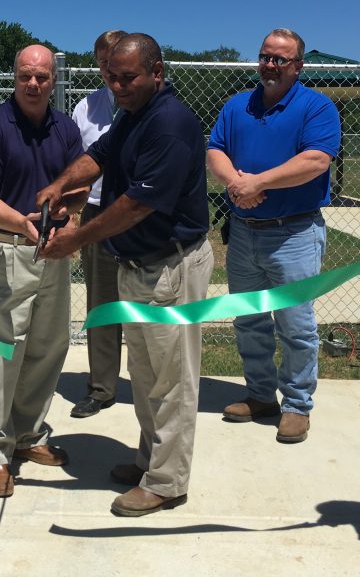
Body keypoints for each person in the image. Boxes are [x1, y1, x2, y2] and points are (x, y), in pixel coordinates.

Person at [38, 33, 213, 517]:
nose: (117, 85)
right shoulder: (133, 114)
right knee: (146, 374)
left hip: (171, 267)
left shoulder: (170, 124)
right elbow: (101, 156)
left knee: (172, 380)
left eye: (128, 77)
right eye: (111, 76)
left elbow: (137, 204)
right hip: (140, 267)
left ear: (157, 72)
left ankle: (166, 482)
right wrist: (60, 184)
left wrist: (77, 238)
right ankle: (150, 460)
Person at [0, 44, 84, 498]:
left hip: (50, 250)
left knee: (47, 346)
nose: (34, 84)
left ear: (54, 81)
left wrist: (67, 218)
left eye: (42, 77)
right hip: (0, 250)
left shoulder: (65, 128)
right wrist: (24, 225)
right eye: (26, 76)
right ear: (14, 77)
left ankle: (28, 435)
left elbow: (78, 186)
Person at [206, 28, 340, 444]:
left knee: (296, 326)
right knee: (249, 320)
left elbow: (316, 160)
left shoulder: (316, 107)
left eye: (280, 59)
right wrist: (235, 185)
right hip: (245, 232)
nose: (270, 65)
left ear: (298, 66)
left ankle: (298, 404)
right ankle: (261, 395)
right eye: (265, 57)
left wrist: (258, 182)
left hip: (294, 233)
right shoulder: (236, 105)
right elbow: (215, 149)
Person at [69, 29, 127, 418]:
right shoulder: (83, 110)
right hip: (96, 212)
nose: (109, 68)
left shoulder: (153, 105)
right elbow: (75, 168)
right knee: (102, 304)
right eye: (103, 61)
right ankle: (102, 387)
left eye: (116, 60)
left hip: (142, 214)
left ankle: (151, 383)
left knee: (147, 305)